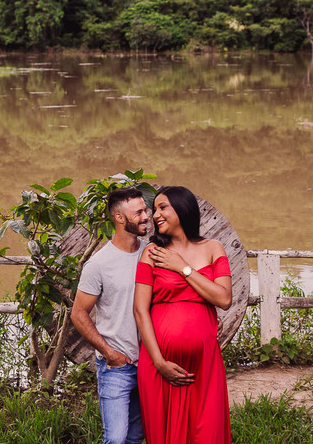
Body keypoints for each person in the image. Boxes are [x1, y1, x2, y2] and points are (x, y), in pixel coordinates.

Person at [134, 185, 232, 444]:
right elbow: (140, 310)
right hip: (159, 366)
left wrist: (183, 268)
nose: (155, 215)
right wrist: (159, 362)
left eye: (162, 207)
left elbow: (223, 298)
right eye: (155, 210)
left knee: (208, 433)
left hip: (205, 366)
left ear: (183, 208)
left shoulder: (214, 248)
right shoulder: (152, 253)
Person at [72, 187, 153, 444]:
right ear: (120, 218)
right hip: (117, 365)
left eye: (146, 209)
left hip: (150, 364)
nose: (147, 216)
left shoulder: (152, 253)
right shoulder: (99, 264)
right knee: (116, 439)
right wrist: (110, 353)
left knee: (137, 437)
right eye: (139, 212)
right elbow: (78, 314)